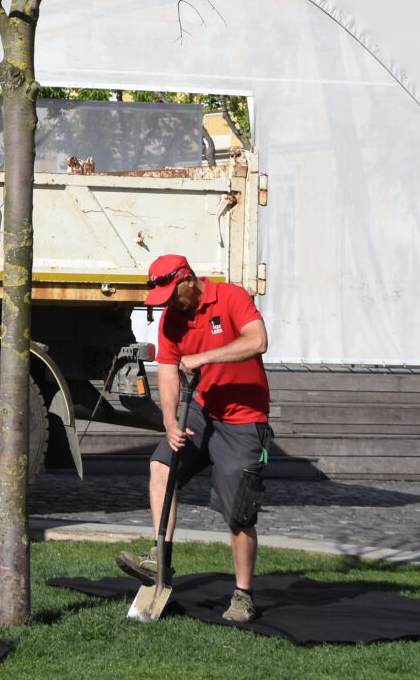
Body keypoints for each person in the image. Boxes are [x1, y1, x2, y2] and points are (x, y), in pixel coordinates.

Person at [115, 254, 271, 625]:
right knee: (160, 465)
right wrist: (169, 420)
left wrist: (204, 357)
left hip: (244, 417)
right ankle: (160, 561)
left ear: (188, 280)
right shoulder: (173, 318)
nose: (167, 304)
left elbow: (258, 340)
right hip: (201, 408)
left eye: (171, 294)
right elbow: (168, 371)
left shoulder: (231, 297)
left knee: (238, 511)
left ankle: (244, 596)